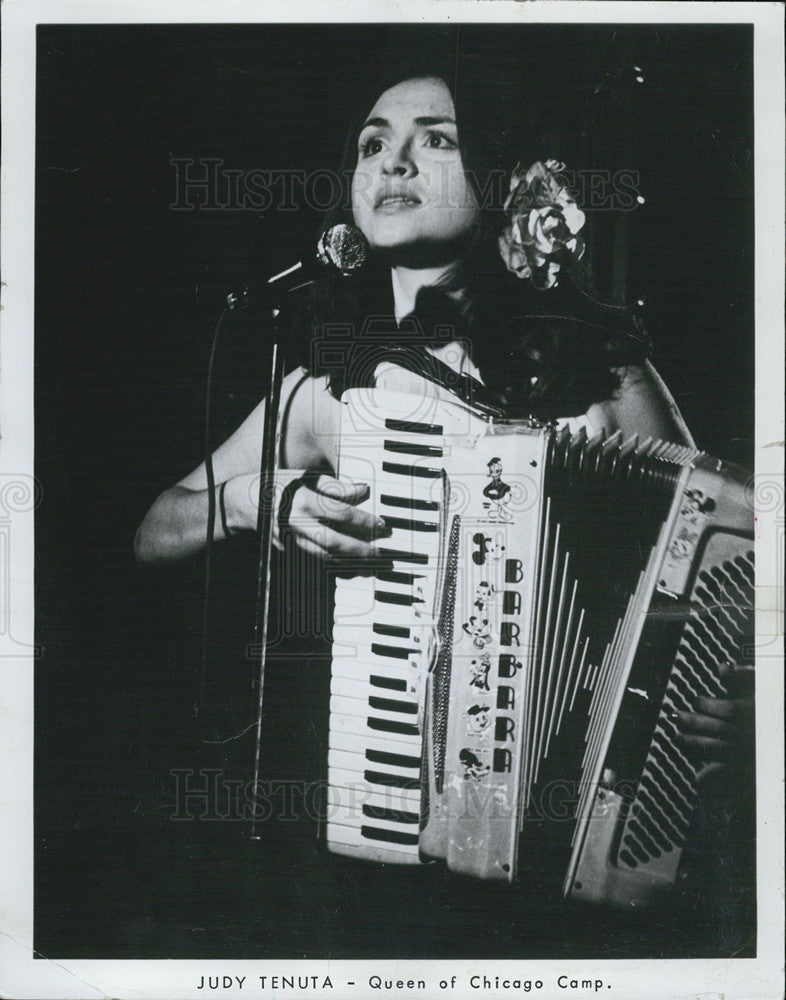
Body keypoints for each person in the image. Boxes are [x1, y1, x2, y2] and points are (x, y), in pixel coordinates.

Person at [134, 65, 753, 916]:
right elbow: (156, 526)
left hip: (579, 855)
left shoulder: (601, 373)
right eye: (372, 144)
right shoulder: (333, 386)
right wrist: (261, 500)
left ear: (502, 181)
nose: (393, 163)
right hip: (384, 849)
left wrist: (741, 705)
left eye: (437, 138)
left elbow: (726, 565)